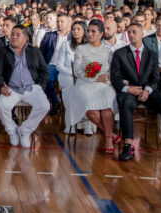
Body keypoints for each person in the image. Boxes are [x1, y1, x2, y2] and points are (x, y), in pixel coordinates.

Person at [111, 23, 161, 163]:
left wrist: (147, 90)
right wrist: (128, 89)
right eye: (129, 33)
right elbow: (115, 78)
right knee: (125, 102)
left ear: (142, 34)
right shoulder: (119, 54)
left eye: (134, 32)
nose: (131, 35)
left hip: (148, 90)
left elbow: (155, 78)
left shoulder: (152, 54)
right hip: (130, 90)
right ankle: (128, 144)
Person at [0, 25, 50, 148]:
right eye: (12, 34)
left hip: (32, 87)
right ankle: (12, 131)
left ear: (25, 38)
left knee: (44, 106)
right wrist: (2, 86)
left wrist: (39, 86)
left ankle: (25, 130)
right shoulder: (3, 51)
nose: (14, 36)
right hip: (12, 88)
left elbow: (44, 71)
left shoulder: (34, 51)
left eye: (18, 34)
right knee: (1, 107)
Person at [69, 20, 118, 154]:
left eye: (93, 31)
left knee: (106, 107)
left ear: (101, 34)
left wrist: (105, 77)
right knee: (93, 111)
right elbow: (77, 70)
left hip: (103, 84)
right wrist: (93, 77)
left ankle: (108, 139)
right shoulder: (81, 49)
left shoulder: (108, 51)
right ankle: (111, 135)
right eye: (88, 31)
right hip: (85, 82)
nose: (89, 34)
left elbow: (112, 71)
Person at [57, 20, 88, 134]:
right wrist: (70, 72)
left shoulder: (88, 46)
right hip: (67, 75)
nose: (75, 31)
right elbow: (59, 65)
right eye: (74, 29)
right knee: (71, 92)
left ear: (84, 31)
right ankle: (71, 126)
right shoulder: (66, 45)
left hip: (83, 76)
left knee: (86, 92)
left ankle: (85, 125)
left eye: (78, 29)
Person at [39, 13, 70, 116]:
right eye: (58, 21)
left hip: (67, 66)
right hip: (52, 65)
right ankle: (55, 101)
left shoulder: (72, 37)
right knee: (46, 78)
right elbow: (41, 52)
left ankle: (68, 106)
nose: (59, 24)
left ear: (68, 23)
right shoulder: (49, 35)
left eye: (62, 21)